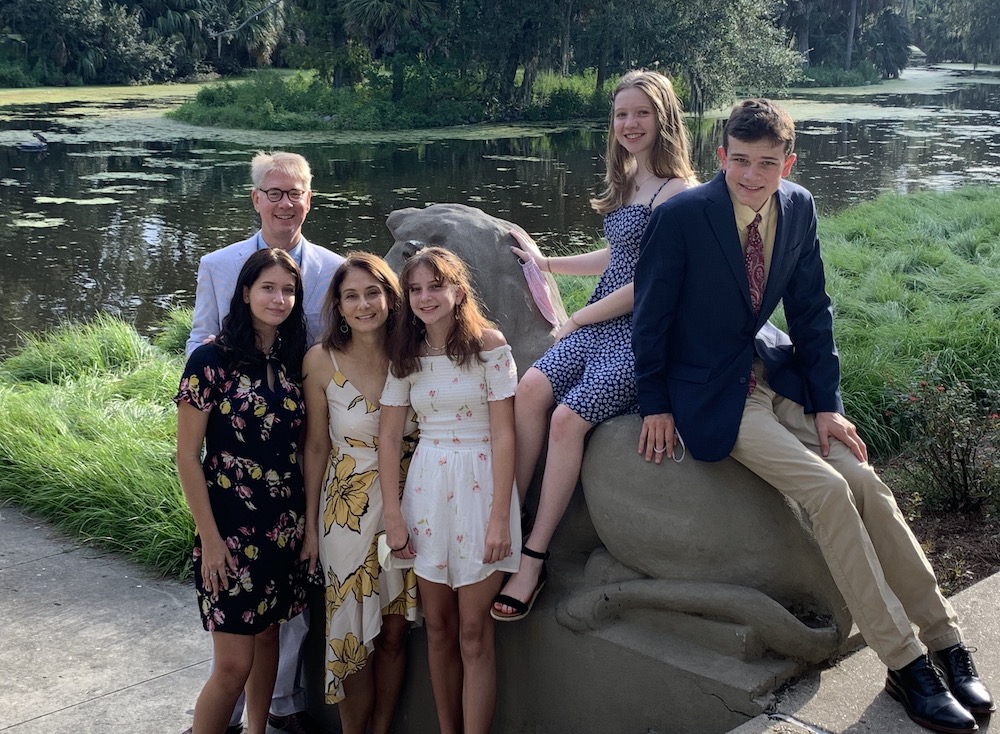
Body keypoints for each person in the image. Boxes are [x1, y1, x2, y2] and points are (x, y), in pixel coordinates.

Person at [632, 98, 994, 734]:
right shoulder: (686, 216)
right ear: (721, 157)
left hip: (778, 375)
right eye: (739, 160)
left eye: (766, 163)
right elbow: (651, 319)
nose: (751, 174)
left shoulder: (797, 206)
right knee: (827, 491)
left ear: (787, 163)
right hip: (716, 393)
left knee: (863, 479)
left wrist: (828, 406)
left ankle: (945, 640)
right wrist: (657, 404)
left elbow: (811, 310)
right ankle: (905, 663)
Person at [492, 69, 696, 621]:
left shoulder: (680, 193)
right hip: (601, 320)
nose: (629, 124)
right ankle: (506, 525)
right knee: (530, 390)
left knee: (568, 419)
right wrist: (546, 262)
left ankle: (533, 558)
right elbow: (617, 257)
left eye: (641, 113)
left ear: (664, 118)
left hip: (643, 332)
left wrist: (574, 318)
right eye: (621, 114)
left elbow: (650, 281)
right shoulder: (630, 178)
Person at [184, 151, 342, 734]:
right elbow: (201, 338)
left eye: (294, 192)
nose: (284, 202)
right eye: (273, 192)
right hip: (233, 485)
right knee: (234, 648)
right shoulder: (218, 265)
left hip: (292, 459)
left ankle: (279, 708)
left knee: (278, 622)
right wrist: (217, 390)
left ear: (309, 198)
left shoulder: (331, 268)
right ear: (256, 199)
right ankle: (219, 719)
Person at [378, 247, 520, 734]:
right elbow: (390, 436)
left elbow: (505, 434)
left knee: (473, 632)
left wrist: (500, 517)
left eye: (435, 285)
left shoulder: (488, 346)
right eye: (414, 289)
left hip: (482, 489)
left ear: (458, 289)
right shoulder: (405, 356)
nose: (424, 297)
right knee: (436, 628)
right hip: (427, 490)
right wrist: (393, 515)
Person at [175, 248, 313, 734]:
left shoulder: (295, 357)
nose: (279, 299)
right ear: (245, 292)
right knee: (232, 664)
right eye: (269, 288)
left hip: (283, 525)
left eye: (289, 289)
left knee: (269, 639)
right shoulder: (212, 359)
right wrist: (209, 540)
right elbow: (187, 456)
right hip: (230, 530)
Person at [301, 253, 418, 734]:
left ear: (391, 298)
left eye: (373, 293)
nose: (364, 304)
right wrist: (310, 529)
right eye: (351, 296)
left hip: (409, 504)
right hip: (344, 514)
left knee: (393, 635)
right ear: (338, 305)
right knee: (352, 640)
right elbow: (315, 447)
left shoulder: (413, 355)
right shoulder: (320, 361)